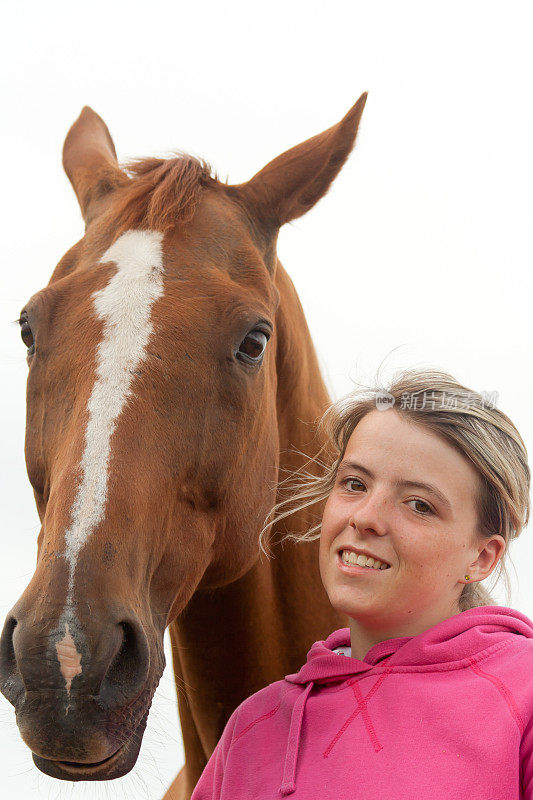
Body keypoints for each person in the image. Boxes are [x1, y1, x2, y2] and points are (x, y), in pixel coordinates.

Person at [191, 369, 532, 799]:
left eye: (419, 505)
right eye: (354, 484)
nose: (365, 517)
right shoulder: (253, 727)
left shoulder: (524, 689)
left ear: (482, 557)